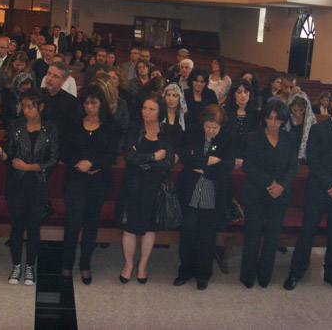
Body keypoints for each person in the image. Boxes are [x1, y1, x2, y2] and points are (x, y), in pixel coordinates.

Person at [284, 90, 332, 293]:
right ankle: (296, 272)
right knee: (308, 232)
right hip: (319, 190)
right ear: (331, 107)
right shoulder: (318, 129)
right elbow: (314, 160)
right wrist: (330, 186)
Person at [0, 88, 59, 286]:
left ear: (41, 107)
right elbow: (8, 157)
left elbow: (53, 160)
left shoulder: (50, 129)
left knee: (33, 227)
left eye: (30, 107)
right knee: (17, 226)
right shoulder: (15, 126)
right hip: (16, 184)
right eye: (23, 106)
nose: (25, 111)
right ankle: (16, 265)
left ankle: (30, 266)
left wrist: (29, 167)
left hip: (38, 184)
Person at [60, 85, 119, 284]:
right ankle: (67, 263)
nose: (90, 107)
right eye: (86, 103)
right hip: (75, 179)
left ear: (101, 103)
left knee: (91, 223)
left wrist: (92, 163)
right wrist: (81, 164)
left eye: (94, 103)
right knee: (73, 222)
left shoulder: (110, 125)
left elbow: (111, 154)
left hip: (99, 181)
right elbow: (64, 151)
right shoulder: (73, 123)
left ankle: (85, 264)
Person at [116, 93, 175, 284]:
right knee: (129, 228)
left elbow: (168, 162)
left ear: (160, 112)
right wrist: (154, 157)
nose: (146, 112)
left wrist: (142, 158)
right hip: (133, 184)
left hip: (155, 185)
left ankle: (142, 266)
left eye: (151, 109)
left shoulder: (167, 131)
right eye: (144, 108)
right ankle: (128, 265)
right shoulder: (134, 128)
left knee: (150, 228)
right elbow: (129, 158)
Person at [174, 105, 234, 290]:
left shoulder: (227, 137)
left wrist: (201, 166)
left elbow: (227, 166)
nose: (211, 131)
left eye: (215, 127)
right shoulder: (193, 132)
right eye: (208, 126)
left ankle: (203, 274)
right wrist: (209, 160)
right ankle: (185, 270)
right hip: (190, 191)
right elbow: (185, 158)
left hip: (213, 193)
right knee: (187, 234)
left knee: (207, 237)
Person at [240, 100, 298, 288]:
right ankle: (248, 275)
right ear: (264, 118)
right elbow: (248, 166)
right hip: (256, 192)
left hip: (280, 194)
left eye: (277, 119)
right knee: (253, 235)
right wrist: (269, 183)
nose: (273, 122)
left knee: (272, 237)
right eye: (269, 118)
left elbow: (293, 167)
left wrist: (281, 185)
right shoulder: (254, 136)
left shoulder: (289, 139)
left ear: (283, 120)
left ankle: (265, 275)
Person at [225, 79, 260, 170]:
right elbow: (223, 137)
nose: (243, 95)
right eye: (239, 92)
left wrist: (243, 158)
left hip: (249, 155)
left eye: (246, 92)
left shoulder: (255, 113)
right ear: (234, 94)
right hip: (227, 153)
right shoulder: (225, 112)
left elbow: (255, 139)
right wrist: (232, 157)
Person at [284, 91, 317, 164]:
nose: (297, 114)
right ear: (290, 107)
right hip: (287, 152)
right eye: (295, 110)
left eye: (301, 110)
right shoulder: (285, 117)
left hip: (305, 154)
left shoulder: (310, 119)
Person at [161, 83, 187, 154]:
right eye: (168, 95)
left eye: (174, 95)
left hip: (180, 154)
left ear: (180, 98)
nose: (171, 99)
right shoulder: (159, 114)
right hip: (161, 153)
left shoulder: (185, 117)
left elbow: (187, 140)